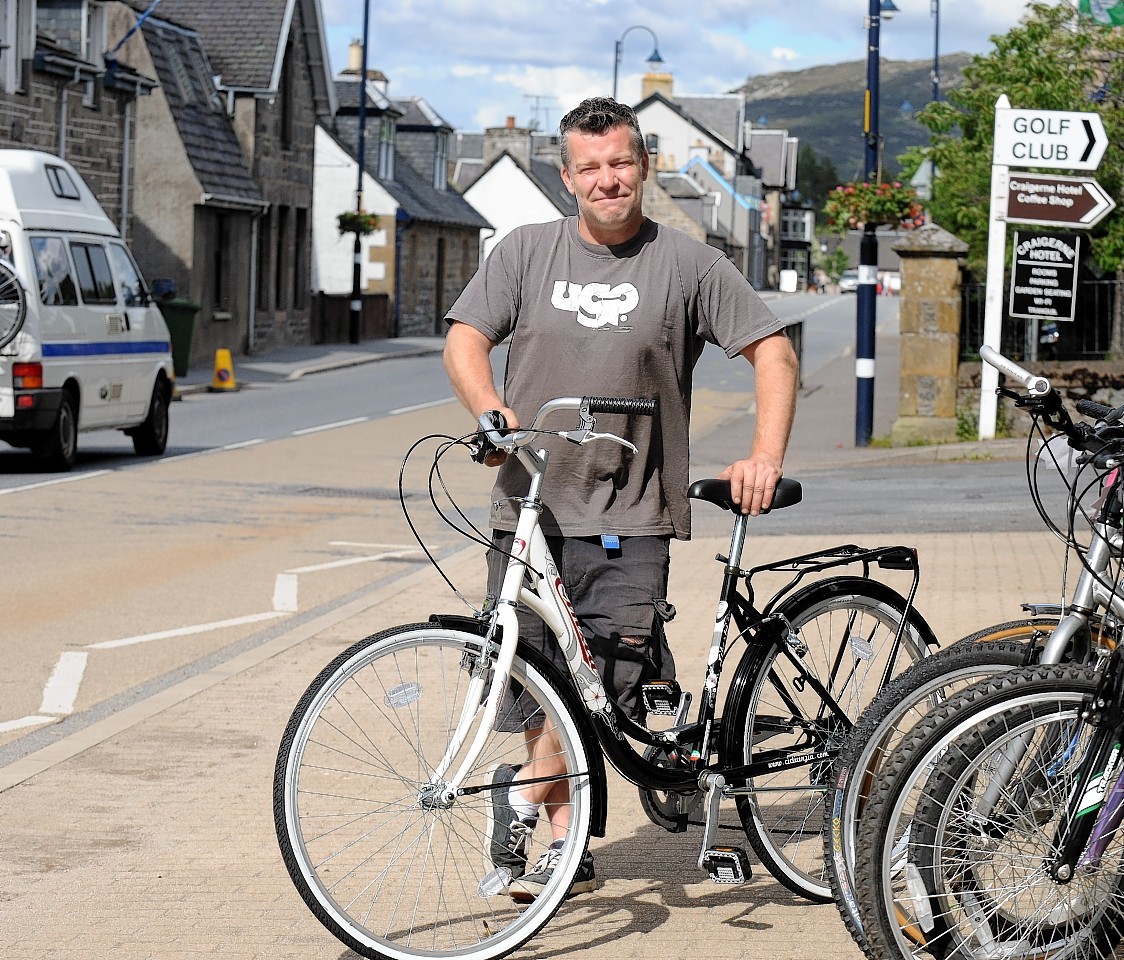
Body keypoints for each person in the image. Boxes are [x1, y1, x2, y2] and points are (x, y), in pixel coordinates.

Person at [443, 97, 798, 901]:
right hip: (529, 506)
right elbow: (465, 338)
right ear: (567, 178)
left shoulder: (687, 265)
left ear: (644, 167)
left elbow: (773, 354)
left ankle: (522, 797)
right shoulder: (525, 254)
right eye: (591, 167)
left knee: (605, 687)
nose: (608, 180)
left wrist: (763, 457)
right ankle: (566, 843)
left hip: (634, 514)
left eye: (621, 163)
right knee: (537, 681)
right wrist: (488, 409)